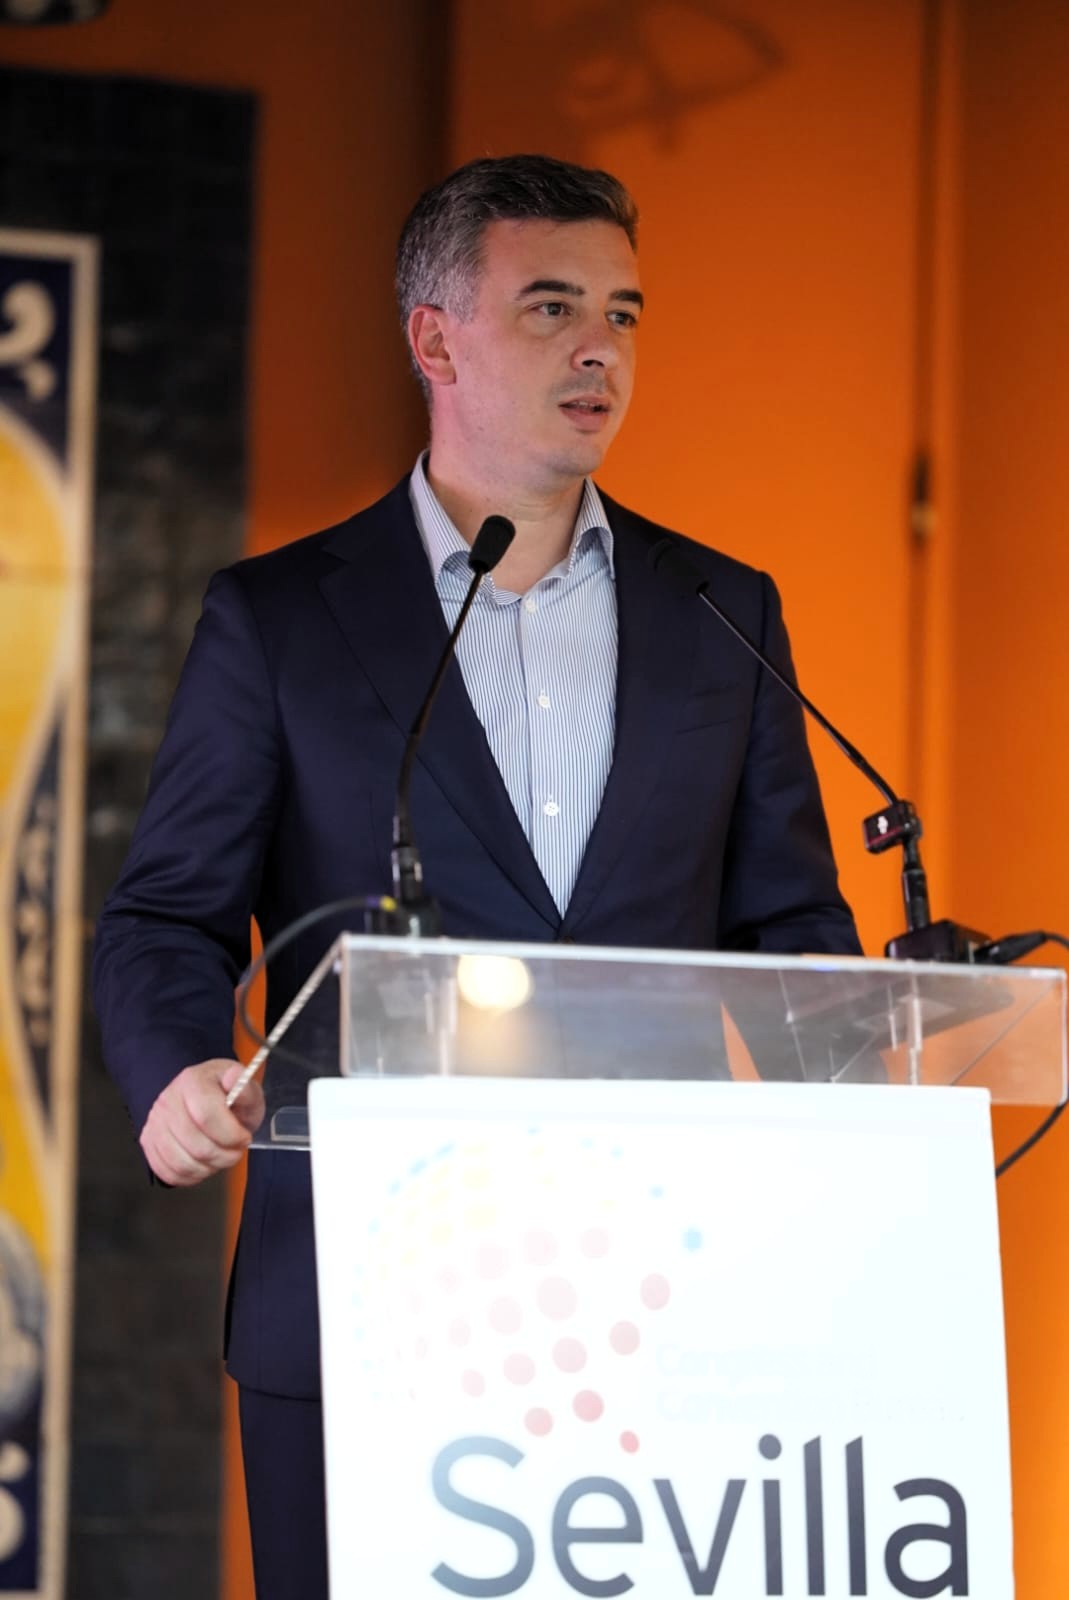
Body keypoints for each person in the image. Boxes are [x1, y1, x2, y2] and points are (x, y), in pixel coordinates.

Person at [93, 153, 861, 1598]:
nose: (600, 349)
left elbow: (789, 923)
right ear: (434, 340)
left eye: (624, 314)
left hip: (660, 1302)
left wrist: (867, 1086)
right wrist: (178, 1069)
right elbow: (165, 916)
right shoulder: (279, 620)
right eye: (552, 307)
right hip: (364, 1295)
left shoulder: (722, 612)